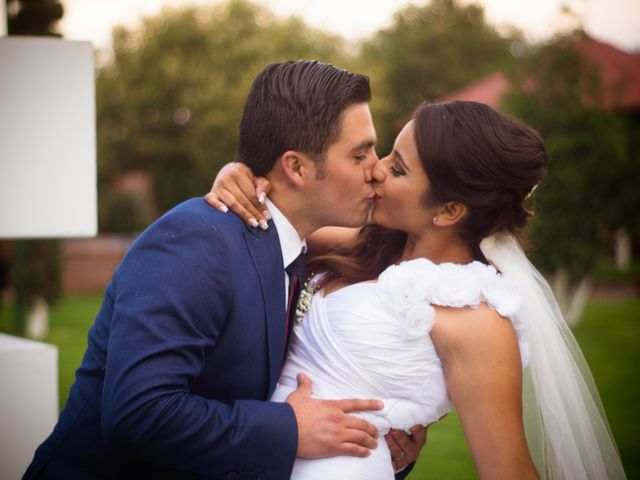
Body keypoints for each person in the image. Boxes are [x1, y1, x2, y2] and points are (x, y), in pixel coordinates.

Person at [23, 60, 405, 480]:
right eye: (360, 153)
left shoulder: (291, 249)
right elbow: (138, 414)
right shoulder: (196, 240)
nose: (378, 168)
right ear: (295, 168)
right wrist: (290, 429)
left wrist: (376, 449)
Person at [207, 100, 627, 479]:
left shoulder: (477, 321)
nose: (376, 168)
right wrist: (238, 175)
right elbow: (271, 224)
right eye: (389, 153)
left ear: (448, 211)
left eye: (399, 168)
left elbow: (510, 470)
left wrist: (402, 455)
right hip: (256, 457)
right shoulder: (365, 245)